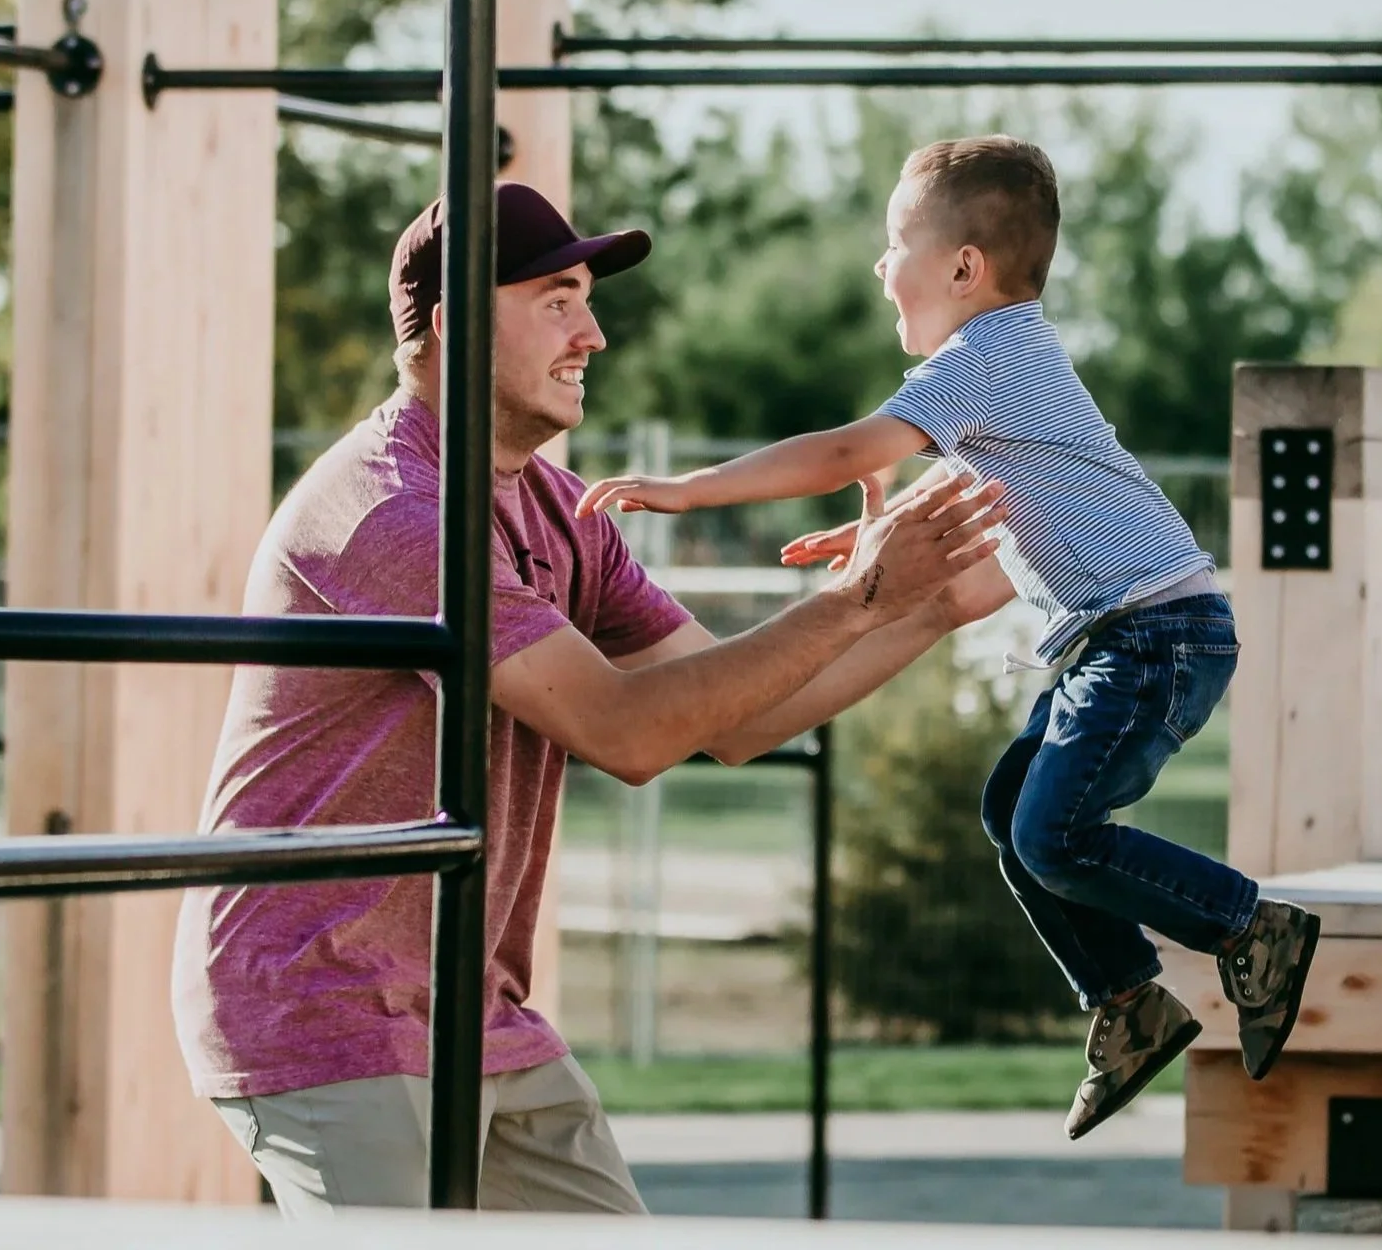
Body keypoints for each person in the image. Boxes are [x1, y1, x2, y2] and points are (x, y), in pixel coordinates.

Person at [170, 182, 1012, 1216]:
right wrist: (854, 597)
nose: (595, 334)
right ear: (453, 324)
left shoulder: (564, 510)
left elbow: (735, 718)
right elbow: (625, 730)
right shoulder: (395, 511)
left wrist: (925, 607)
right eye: (558, 297)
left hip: (471, 1009)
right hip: (320, 998)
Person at [575, 136, 1321, 1140]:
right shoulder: (1006, 367)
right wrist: (876, 536)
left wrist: (689, 489)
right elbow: (993, 496)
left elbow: (847, 447)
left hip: (1155, 631)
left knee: (1055, 833)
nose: (881, 266)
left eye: (896, 244)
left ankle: (1249, 923)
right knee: (1014, 815)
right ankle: (1130, 1004)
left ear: (963, 266)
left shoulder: (986, 352)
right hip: (1128, 634)